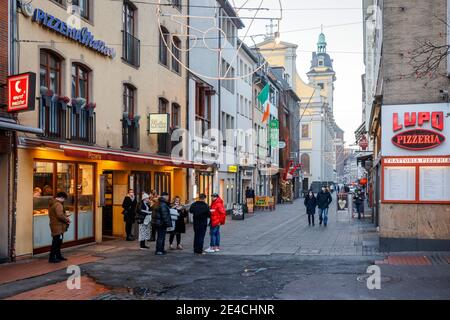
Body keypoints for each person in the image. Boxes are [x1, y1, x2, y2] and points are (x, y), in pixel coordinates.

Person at [48, 192, 70, 263]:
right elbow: (60, 215)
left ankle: (58, 256)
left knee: (57, 241)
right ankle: (52, 258)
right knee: (56, 242)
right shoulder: (58, 204)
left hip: (55, 225)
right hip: (58, 226)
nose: (64, 201)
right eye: (64, 199)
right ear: (62, 198)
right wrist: (67, 219)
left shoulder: (53, 203)